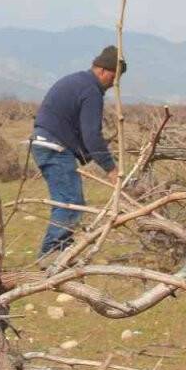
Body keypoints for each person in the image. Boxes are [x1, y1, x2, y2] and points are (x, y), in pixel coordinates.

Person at [30, 46, 125, 258]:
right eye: (113, 77)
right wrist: (111, 169)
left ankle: (63, 249)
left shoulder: (78, 81)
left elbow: (79, 131)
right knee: (71, 202)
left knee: (66, 200)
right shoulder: (91, 91)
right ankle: (51, 253)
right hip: (53, 146)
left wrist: (89, 155)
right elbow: (91, 135)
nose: (114, 83)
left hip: (45, 141)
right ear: (102, 70)